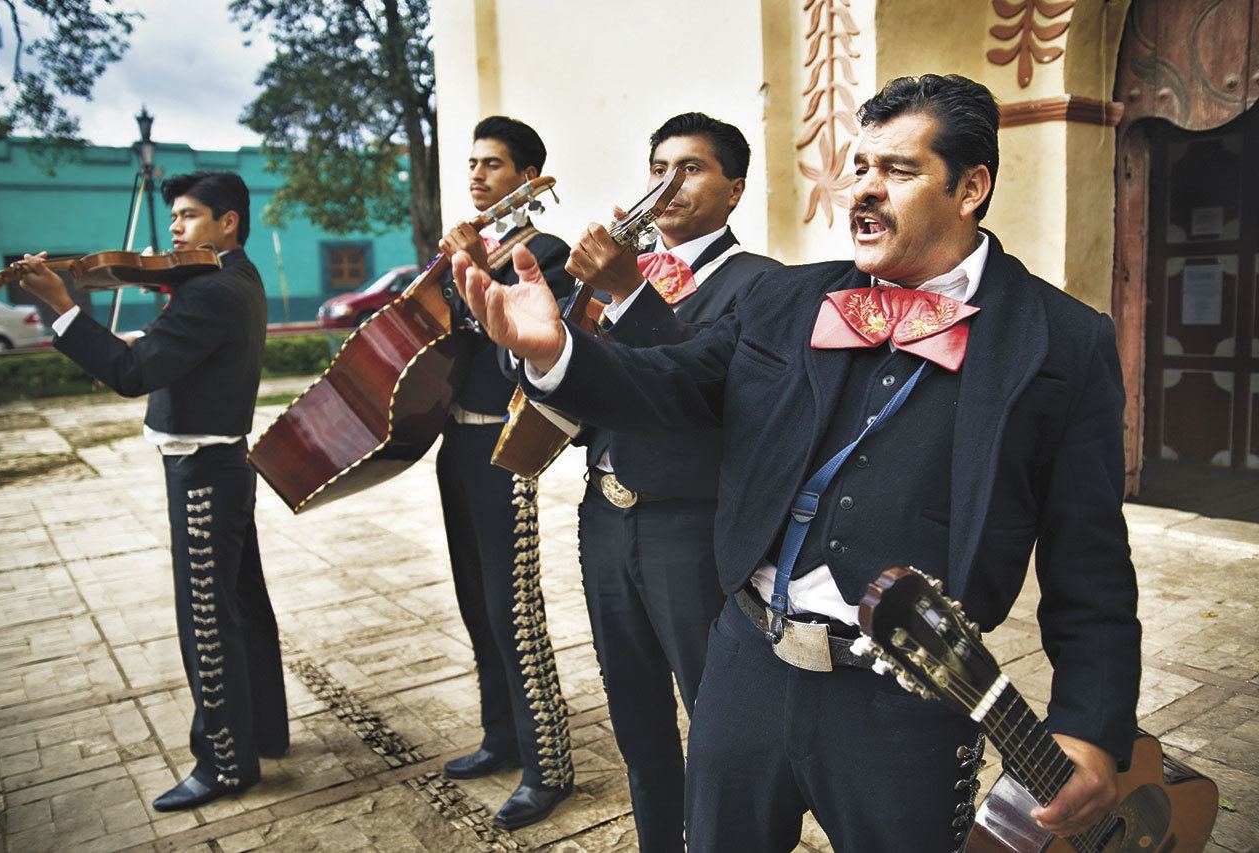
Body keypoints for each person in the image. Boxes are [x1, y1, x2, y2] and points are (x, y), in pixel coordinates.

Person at [453, 74, 1140, 851]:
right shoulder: (788, 300)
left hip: (910, 697)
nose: (865, 191)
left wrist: (1091, 724)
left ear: (972, 187)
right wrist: (558, 353)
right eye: (860, 167)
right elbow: (676, 382)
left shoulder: (1062, 341)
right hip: (747, 658)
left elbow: (1090, 558)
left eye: (899, 171)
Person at [13, 171, 288, 811]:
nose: (174, 231)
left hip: (202, 475)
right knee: (244, 607)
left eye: (189, 216)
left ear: (228, 223)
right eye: (173, 219)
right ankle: (264, 733)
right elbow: (165, 352)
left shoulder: (210, 291)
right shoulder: (236, 277)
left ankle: (224, 765)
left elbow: (130, 373)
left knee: (207, 621)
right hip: (226, 464)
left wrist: (63, 306)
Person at [562, 112, 778, 851]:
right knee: (635, 713)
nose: (667, 183)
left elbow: (707, 392)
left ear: (736, 189)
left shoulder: (762, 285)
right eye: (658, 167)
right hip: (606, 518)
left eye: (690, 168)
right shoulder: (629, 271)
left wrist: (628, 295)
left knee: (713, 714)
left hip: (689, 526)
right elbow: (568, 378)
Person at [432, 115, 576, 829]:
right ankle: (500, 733)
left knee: (511, 608)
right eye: (472, 163)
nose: (477, 175)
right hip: (453, 446)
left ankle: (547, 762)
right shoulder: (474, 250)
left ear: (528, 179)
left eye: (493, 164)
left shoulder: (544, 252)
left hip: (501, 450)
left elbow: (512, 354)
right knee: (471, 598)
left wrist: (474, 270)